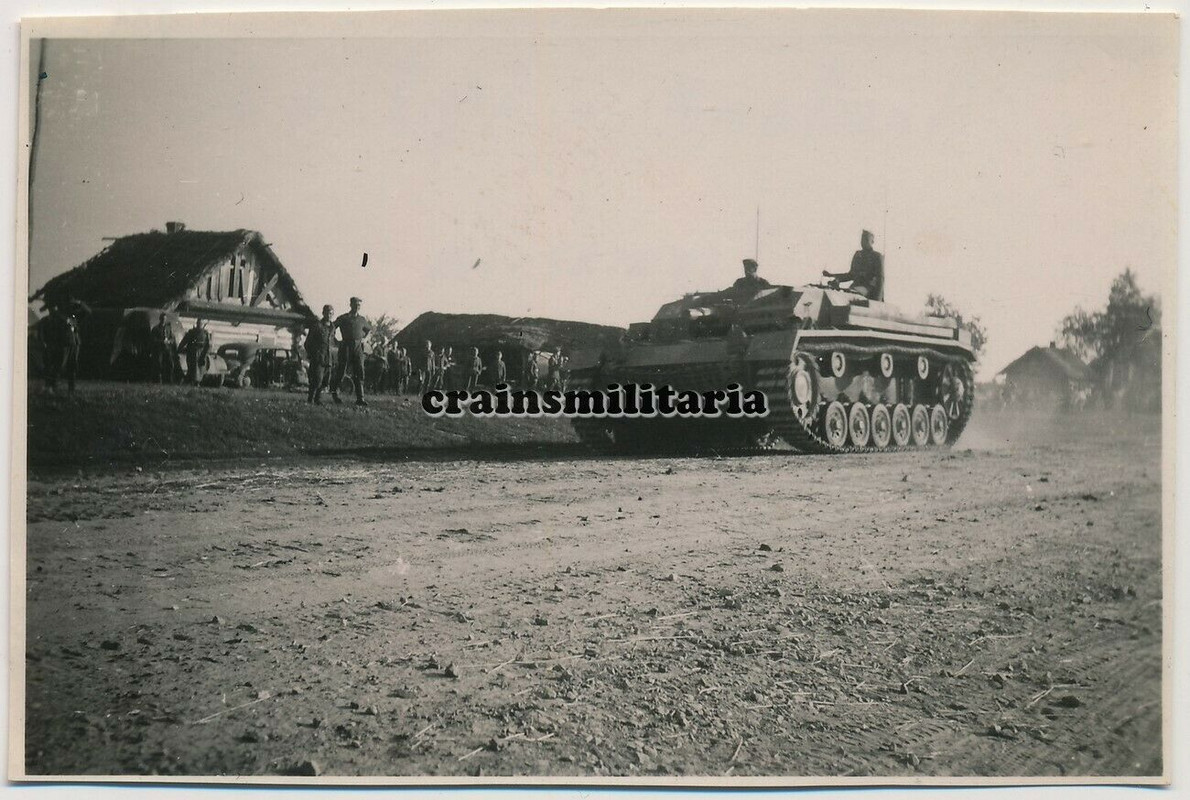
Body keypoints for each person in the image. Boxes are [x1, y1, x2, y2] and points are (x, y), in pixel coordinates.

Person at [823, 230, 885, 301]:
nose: (863, 242)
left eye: (866, 240)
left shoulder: (877, 256)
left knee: (850, 294)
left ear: (872, 241)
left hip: (869, 289)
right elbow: (851, 275)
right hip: (855, 288)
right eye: (862, 240)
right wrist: (832, 276)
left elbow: (880, 280)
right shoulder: (858, 255)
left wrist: (877, 301)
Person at [333, 297, 371, 406]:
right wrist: (336, 341)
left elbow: (369, 331)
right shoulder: (343, 318)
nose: (357, 307)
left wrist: (364, 339)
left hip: (358, 347)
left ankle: (360, 398)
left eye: (359, 305)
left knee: (359, 370)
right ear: (350, 305)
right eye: (355, 305)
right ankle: (335, 394)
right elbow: (332, 328)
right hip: (345, 346)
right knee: (341, 370)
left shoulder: (362, 319)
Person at [42, 300, 87, 392]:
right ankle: (51, 387)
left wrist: (80, 303)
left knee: (72, 366)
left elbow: (87, 312)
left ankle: (71, 388)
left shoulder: (72, 316)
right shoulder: (56, 317)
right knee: (58, 365)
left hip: (74, 343)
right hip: (64, 343)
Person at [304, 304, 336, 404]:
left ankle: (318, 399)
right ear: (323, 313)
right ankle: (310, 399)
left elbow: (332, 343)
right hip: (318, 358)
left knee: (325, 381)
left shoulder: (333, 328)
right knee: (317, 380)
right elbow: (307, 343)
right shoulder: (317, 326)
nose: (329, 315)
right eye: (327, 313)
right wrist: (313, 354)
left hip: (328, 358)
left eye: (331, 313)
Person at [178, 318, 211, 386]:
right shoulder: (191, 332)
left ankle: (197, 382)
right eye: (198, 323)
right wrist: (180, 348)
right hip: (192, 352)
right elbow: (185, 340)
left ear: (202, 324)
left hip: (201, 352)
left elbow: (208, 345)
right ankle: (192, 381)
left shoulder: (205, 333)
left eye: (200, 323)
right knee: (192, 367)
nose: (199, 325)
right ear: (196, 324)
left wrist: (205, 353)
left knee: (200, 368)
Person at [150, 312, 178, 384]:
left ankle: (169, 379)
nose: (164, 320)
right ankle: (158, 379)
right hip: (159, 349)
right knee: (159, 364)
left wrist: (170, 341)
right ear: (160, 319)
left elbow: (172, 338)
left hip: (167, 348)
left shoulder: (168, 328)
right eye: (162, 319)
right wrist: (161, 341)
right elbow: (153, 339)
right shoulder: (156, 329)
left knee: (170, 363)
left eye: (165, 319)